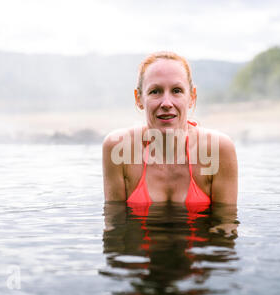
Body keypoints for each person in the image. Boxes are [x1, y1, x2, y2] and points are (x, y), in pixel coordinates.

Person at [102, 51, 238, 208]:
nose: (166, 103)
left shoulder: (218, 149)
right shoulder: (118, 147)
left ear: (192, 97)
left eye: (177, 91)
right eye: (155, 91)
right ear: (138, 98)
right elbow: (115, 225)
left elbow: (226, 226)